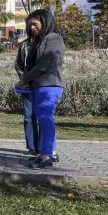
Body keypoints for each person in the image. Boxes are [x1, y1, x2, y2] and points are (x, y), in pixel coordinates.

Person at [18, 9, 65, 169]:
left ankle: (46, 157)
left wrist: (25, 79)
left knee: (45, 119)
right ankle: (50, 152)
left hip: (49, 86)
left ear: (45, 22)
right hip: (36, 86)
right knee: (44, 120)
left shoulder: (54, 38)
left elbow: (45, 63)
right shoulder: (38, 41)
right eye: (29, 25)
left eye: (34, 24)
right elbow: (29, 64)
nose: (31, 27)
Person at [15, 40, 39, 156]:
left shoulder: (46, 41)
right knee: (28, 116)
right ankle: (32, 146)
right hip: (27, 85)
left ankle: (44, 147)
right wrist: (24, 79)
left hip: (42, 84)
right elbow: (18, 63)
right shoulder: (24, 44)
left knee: (44, 117)